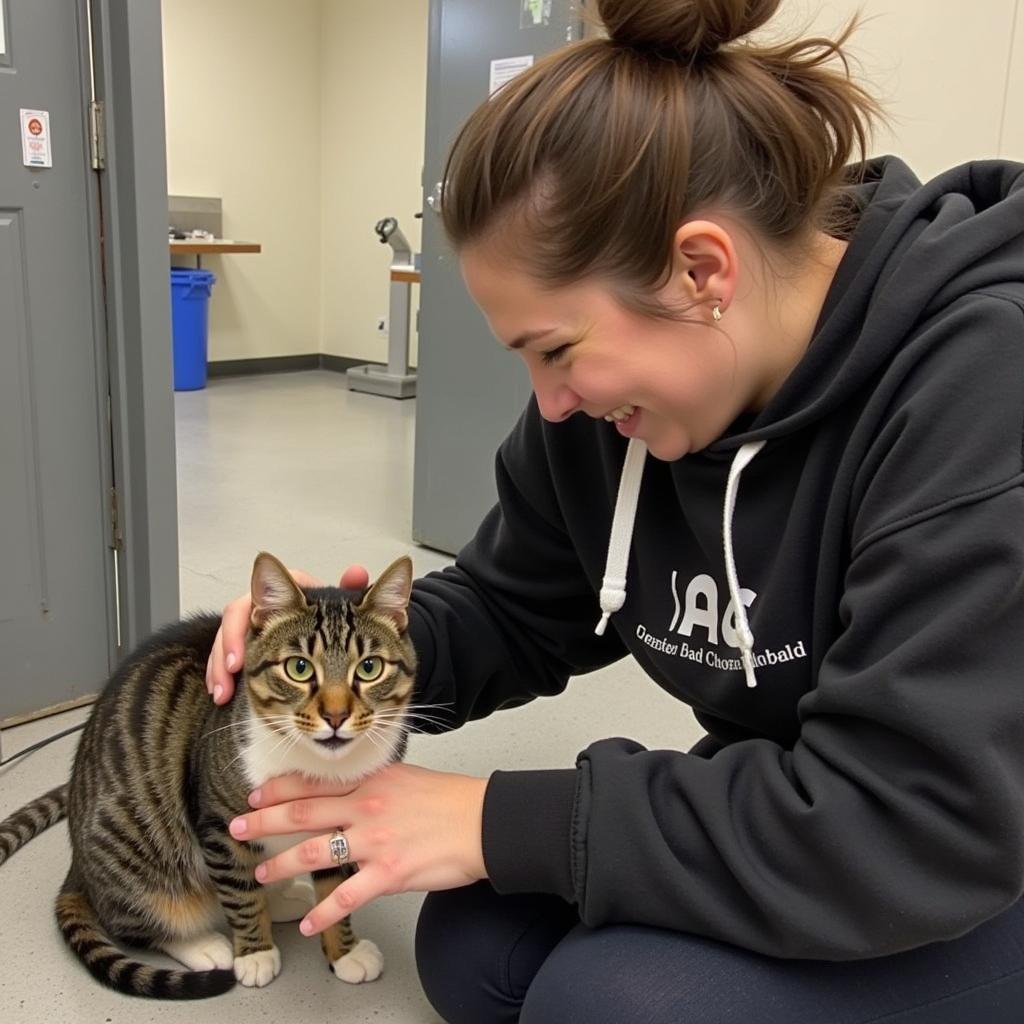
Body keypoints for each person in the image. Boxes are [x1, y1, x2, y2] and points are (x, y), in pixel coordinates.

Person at [206, 1, 1024, 1020]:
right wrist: (340, 646)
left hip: (958, 841)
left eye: (556, 350)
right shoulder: (617, 412)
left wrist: (507, 820)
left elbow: (915, 817)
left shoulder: (980, 382)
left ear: (701, 270)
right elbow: (513, 604)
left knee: (609, 1002)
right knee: (477, 947)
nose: (549, 403)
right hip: (817, 796)